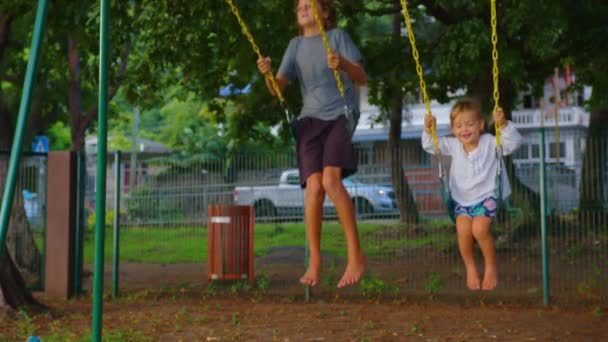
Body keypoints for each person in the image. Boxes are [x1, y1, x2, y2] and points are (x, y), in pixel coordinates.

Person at [256, 0, 367, 288]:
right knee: (314, 187)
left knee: (331, 181)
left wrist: (342, 63)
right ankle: (315, 260)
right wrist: (268, 75)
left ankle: (355, 255)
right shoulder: (295, 46)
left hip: (340, 114)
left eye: (310, 4)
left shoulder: (337, 37)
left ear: (325, 13)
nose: (303, 8)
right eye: (300, 6)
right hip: (309, 120)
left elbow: (361, 78)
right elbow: (277, 87)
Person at [422, 98, 522, 290]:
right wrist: (428, 129)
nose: (464, 129)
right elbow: (429, 145)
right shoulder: (452, 145)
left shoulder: (491, 142)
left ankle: (491, 267)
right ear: (453, 129)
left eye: (470, 124)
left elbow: (513, 144)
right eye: (458, 126)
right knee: (463, 232)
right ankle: (470, 268)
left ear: (481, 124)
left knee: (480, 230)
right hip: (462, 199)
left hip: (488, 196)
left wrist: (503, 125)